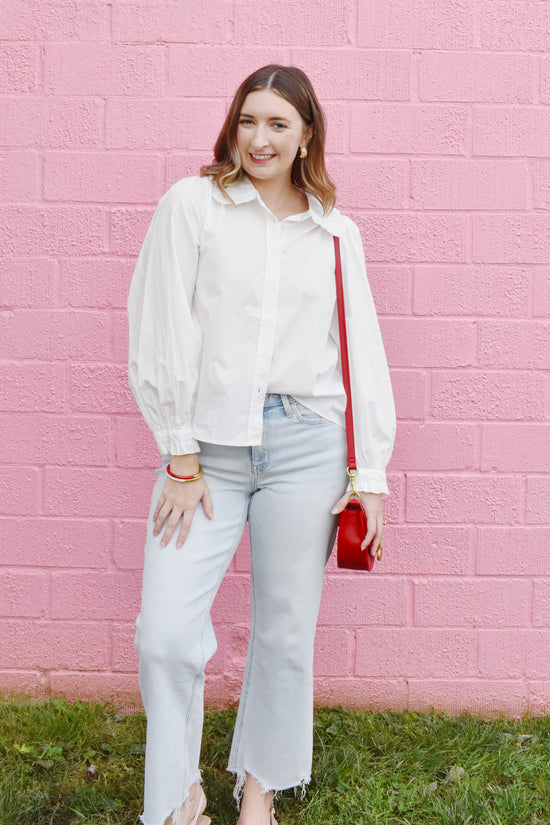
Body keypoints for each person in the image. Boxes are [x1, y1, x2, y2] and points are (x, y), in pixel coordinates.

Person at [127, 64, 396, 825]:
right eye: (248, 120)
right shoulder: (193, 206)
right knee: (167, 635)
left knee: (284, 628)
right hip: (205, 452)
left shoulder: (337, 232)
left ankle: (258, 788)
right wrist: (179, 454)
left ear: (307, 133)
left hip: (308, 445)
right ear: (232, 125)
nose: (259, 138)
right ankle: (177, 792)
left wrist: (367, 470)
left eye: (278, 123)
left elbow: (362, 351)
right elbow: (159, 325)